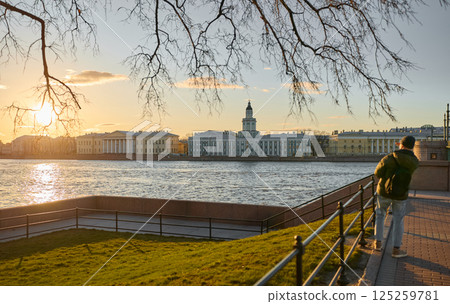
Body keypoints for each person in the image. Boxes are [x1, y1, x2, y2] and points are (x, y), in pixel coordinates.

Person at [373, 135, 419, 258]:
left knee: (380, 215)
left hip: (384, 191)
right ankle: (396, 250)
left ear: (402, 145)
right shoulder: (414, 161)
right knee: (399, 220)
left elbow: (378, 173)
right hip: (401, 193)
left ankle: (378, 243)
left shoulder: (389, 157)